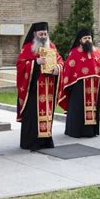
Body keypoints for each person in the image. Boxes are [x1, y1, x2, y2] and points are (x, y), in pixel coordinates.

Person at [16, 22, 64, 150]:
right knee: (33, 116)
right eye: (41, 34)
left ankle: (45, 141)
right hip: (34, 89)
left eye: (45, 34)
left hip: (48, 88)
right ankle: (31, 142)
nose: (43, 36)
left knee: (47, 115)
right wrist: (35, 62)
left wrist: (58, 69)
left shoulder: (51, 46)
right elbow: (20, 65)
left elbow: (60, 61)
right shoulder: (28, 47)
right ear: (34, 34)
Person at [59, 29, 100, 138]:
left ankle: (91, 131)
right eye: (85, 38)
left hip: (95, 87)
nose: (87, 40)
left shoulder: (97, 51)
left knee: (93, 108)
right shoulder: (74, 52)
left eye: (89, 38)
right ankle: (76, 131)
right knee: (78, 108)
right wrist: (69, 85)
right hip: (78, 87)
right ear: (80, 40)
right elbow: (69, 69)